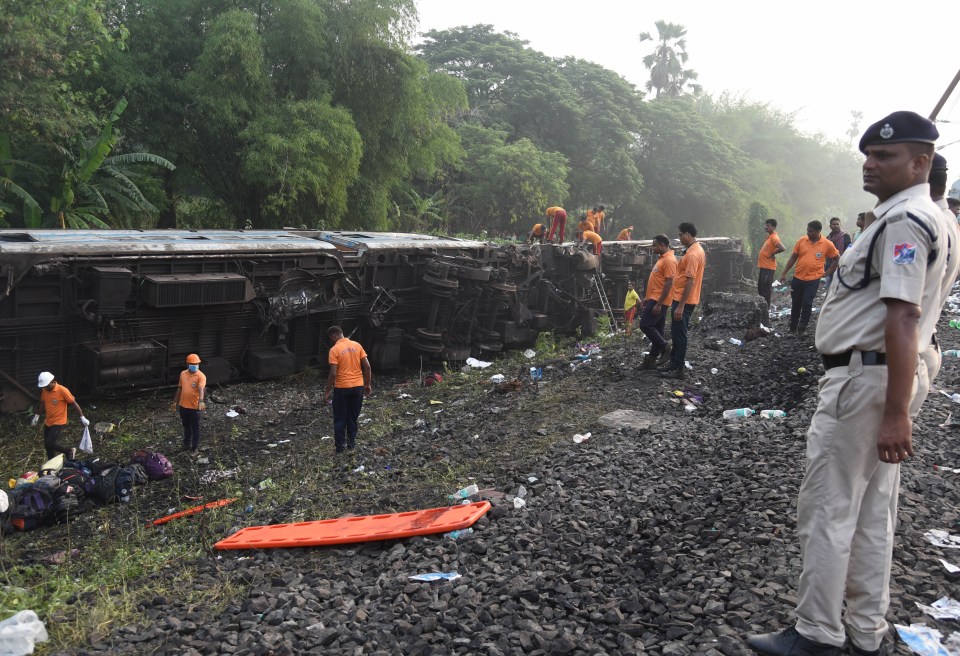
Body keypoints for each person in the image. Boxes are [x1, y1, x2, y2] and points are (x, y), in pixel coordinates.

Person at [747, 111, 947, 656]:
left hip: (867, 377)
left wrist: (896, 410)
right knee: (873, 511)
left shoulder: (904, 221)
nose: (870, 164)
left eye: (885, 156)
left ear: (920, 162)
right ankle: (864, 629)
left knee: (830, 507)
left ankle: (816, 633)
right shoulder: (925, 216)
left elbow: (903, 315)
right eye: (869, 155)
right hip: (885, 375)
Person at [778, 221, 839, 336]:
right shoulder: (802, 240)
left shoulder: (827, 244)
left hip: (813, 279)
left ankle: (802, 328)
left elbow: (837, 258)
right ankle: (792, 328)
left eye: (810, 231)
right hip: (798, 278)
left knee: (807, 302)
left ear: (818, 231)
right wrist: (784, 272)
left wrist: (827, 273)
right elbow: (793, 257)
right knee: (796, 303)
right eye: (807, 230)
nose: (808, 233)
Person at [660, 223, 704, 379]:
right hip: (680, 298)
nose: (678, 238)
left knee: (680, 334)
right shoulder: (693, 250)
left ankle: (678, 368)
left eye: (679, 235)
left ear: (687, 234)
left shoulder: (693, 254)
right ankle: (673, 363)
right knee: (676, 332)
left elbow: (690, 281)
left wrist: (681, 305)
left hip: (684, 301)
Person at [324, 326, 372, 454]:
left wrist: (327, 391)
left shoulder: (334, 350)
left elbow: (333, 374)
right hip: (357, 387)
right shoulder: (357, 345)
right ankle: (351, 445)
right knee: (352, 417)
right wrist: (367, 384)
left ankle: (340, 448)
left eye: (331, 338)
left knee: (340, 419)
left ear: (333, 336)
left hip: (342, 388)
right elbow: (367, 367)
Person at [639, 234, 677, 369]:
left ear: (662, 245)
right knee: (658, 331)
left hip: (659, 300)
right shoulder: (662, 258)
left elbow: (668, 283)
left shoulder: (670, 260)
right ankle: (651, 360)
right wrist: (647, 297)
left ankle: (665, 347)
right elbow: (659, 282)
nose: (653, 247)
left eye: (654, 245)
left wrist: (659, 303)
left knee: (645, 325)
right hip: (654, 298)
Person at [33, 371, 89, 460]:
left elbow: (74, 403)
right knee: (47, 445)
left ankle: (68, 451)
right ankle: (51, 462)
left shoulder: (62, 390)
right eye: (44, 386)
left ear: (52, 381)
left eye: (47, 386)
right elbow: (43, 403)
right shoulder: (45, 390)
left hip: (59, 421)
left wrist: (82, 417)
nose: (46, 388)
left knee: (49, 442)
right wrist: (37, 416)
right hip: (49, 420)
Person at [172, 354, 206, 452]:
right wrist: (175, 402)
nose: (194, 365)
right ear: (188, 364)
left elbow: (200, 389)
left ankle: (194, 447)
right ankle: (186, 445)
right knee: (186, 426)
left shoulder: (201, 376)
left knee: (195, 428)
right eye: (192, 363)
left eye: (196, 363)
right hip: (183, 406)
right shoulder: (183, 374)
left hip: (195, 407)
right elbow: (179, 388)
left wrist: (201, 401)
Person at [756, 218, 785, 320]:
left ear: (773, 227)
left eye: (768, 225)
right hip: (764, 267)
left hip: (768, 268)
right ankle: (762, 309)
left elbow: (782, 248)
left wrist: (773, 253)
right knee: (761, 288)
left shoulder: (774, 237)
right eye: (766, 225)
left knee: (765, 290)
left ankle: (766, 311)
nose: (766, 227)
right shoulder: (769, 237)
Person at [823, 217, 852, 288]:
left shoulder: (845, 236)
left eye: (837, 224)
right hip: (829, 265)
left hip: (841, 265)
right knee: (828, 286)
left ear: (840, 225)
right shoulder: (828, 238)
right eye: (834, 224)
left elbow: (848, 251)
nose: (836, 226)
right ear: (830, 226)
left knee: (838, 286)